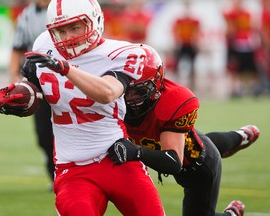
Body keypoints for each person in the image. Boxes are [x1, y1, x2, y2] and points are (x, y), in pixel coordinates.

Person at [0, 0, 165, 215]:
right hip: (72, 169)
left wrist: (66, 69)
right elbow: (35, 86)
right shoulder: (44, 45)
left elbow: (107, 93)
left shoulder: (120, 54)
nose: (67, 37)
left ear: (95, 21)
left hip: (118, 159)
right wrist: (17, 94)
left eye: (74, 28)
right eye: (60, 30)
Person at [107, 45, 260, 216]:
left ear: (156, 85)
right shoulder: (112, 98)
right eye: (126, 90)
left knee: (203, 149)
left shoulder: (172, 101)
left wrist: (136, 152)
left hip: (197, 168)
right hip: (187, 144)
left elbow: (173, 162)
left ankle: (231, 214)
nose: (130, 98)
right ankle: (240, 136)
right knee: (198, 139)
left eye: (139, 91)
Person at [8, 0, 55, 187]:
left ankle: (68, 175)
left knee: (69, 127)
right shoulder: (27, 15)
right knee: (43, 132)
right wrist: (13, 75)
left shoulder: (65, 8)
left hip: (66, 78)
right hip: (37, 81)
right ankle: (55, 174)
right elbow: (17, 46)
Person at [223, 0, 260, 97]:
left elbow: (252, 26)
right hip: (237, 44)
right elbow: (230, 29)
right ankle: (237, 89)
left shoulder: (247, 14)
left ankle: (252, 88)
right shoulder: (232, 14)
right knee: (237, 69)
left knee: (250, 68)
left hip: (247, 44)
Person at [171, 0, 201, 91]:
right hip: (182, 43)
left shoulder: (194, 20)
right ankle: (177, 83)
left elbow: (197, 33)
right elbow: (175, 32)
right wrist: (176, 43)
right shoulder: (179, 20)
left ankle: (193, 85)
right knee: (177, 65)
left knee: (192, 65)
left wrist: (196, 43)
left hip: (190, 43)